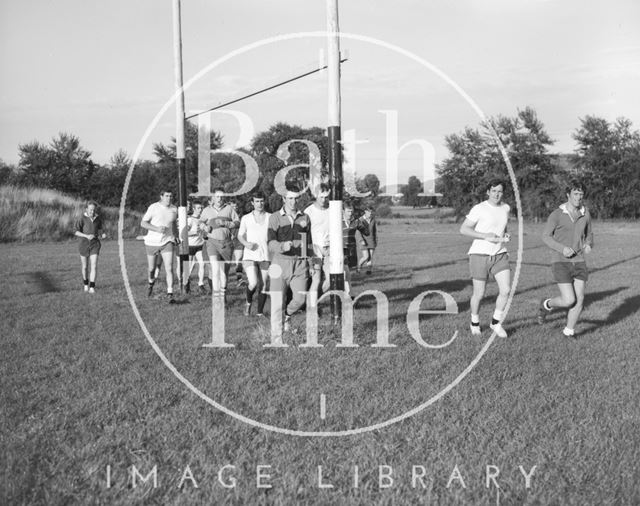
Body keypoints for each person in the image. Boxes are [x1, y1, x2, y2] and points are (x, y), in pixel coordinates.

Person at [538, 180, 594, 338]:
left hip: (579, 261)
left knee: (580, 299)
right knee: (569, 300)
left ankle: (568, 332)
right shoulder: (556, 214)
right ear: (568, 195)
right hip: (560, 261)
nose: (579, 197)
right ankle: (546, 304)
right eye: (575, 194)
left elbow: (589, 234)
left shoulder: (585, 213)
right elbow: (546, 237)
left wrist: (589, 244)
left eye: (581, 194)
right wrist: (562, 248)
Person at [459, 179, 511, 338]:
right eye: (494, 191)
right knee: (479, 293)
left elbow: (502, 226)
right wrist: (484, 236)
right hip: (479, 254)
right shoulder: (479, 208)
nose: (497, 194)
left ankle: (495, 322)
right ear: (488, 192)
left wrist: (505, 234)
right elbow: (464, 229)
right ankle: (474, 322)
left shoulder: (506, 208)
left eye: (500, 191)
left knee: (506, 290)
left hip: (500, 254)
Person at [268, 189, 312, 337]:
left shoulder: (305, 217)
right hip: (279, 263)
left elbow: (308, 243)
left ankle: (287, 315)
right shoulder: (275, 217)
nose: (294, 202)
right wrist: (282, 246)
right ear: (284, 199)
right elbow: (270, 242)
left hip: (300, 264)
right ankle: (276, 337)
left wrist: (310, 263)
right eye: (290, 199)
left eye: (296, 199)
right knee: (276, 303)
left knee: (300, 299)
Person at [199, 188, 240, 297]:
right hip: (212, 242)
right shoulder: (206, 210)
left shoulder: (229, 209)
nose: (219, 198)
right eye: (217, 196)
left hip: (226, 243)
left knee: (223, 272)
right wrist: (204, 227)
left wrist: (226, 223)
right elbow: (200, 222)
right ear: (213, 198)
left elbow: (237, 222)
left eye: (221, 196)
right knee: (215, 268)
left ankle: (223, 295)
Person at [141, 190, 179, 303]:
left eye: (171, 196)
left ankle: (170, 293)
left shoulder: (174, 209)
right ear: (161, 196)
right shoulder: (153, 207)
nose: (169, 198)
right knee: (152, 269)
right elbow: (143, 223)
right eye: (167, 196)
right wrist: (156, 229)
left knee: (169, 267)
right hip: (152, 242)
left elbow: (174, 224)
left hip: (167, 241)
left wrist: (175, 235)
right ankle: (151, 282)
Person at [238, 192, 271, 316]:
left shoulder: (270, 217)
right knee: (253, 283)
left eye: (261, 201)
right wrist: (246, 244)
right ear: (252, 203)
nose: (259, 204)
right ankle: (248, 302)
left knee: (263, 285)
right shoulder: (246, 218)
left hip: (265, 255)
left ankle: (260, 313)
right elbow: (239, 235)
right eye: (257, 201)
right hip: (250, 255)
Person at [304, 183, 331, 305]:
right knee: (316, 279)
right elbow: (304, 234)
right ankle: (312, 307)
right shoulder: (308, 211)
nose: (324, 200)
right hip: (314, 250)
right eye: (321, 197)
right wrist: (307, 253)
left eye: (326, 197)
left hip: (329, 249)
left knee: (331, 280)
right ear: (316, 196)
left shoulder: (332, 210)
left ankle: (313, 301)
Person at [74, 200, 105, 293]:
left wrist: (103, 234)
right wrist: (86, 236)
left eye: (94, 210)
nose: (92, 212)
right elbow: (76, 231)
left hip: (95, 244)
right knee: (85, 267)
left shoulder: (98, 218)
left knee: (94, 265)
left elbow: (100, 229)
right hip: (83, 244)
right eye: (91, 210)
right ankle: (85, 284)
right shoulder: (81, 218)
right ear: (86, 209)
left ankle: (92, 287)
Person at [342, 202, 369, 295]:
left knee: (348, 275)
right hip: (341, 251)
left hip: (352, 251)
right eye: (348, 211)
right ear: (343, 211)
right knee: (345, 274)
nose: (350, 214)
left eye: (351, 211)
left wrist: (364, 222)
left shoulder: (356, 222)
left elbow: (367, 232)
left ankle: (348, 295)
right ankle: (349, 296)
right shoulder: (338, 221)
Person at [183, 200, 207, 295]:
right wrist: (194, 233)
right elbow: (185, 233)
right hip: (191, 246)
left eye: (201, 208)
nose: (200, 210)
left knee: (202, 264)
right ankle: (186, 284)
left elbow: (204, 232)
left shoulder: (202, 219)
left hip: (200, 246)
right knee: (189, 267)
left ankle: (201, 284)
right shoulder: (190, 219)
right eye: (198, 208)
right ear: (193, 209)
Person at [357, 206, 378, 275]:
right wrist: (361, 240)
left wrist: (376, 240)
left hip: (371, 240)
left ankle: (369, 271)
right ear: (365, 211)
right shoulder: (360, 220)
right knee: (366, 257)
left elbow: (375, 231)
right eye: (369, 212)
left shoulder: (373, 220)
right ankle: (359, 267)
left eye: (371, 212)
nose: (370, 213)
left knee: (370, 257)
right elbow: (358, 232)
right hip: (363, 241)